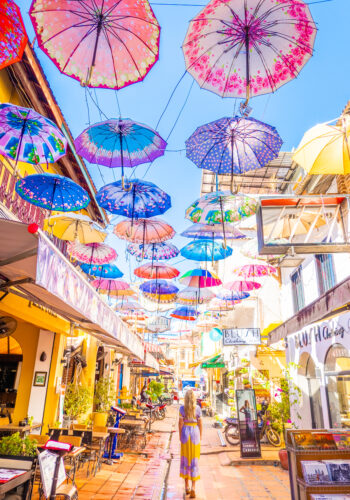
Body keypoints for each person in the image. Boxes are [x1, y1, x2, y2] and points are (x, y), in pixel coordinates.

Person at [179, 389, 202, 498]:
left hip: (185, 433)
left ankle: (186, 487)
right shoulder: (197, 409)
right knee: (194, 460)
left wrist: (180, 436)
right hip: (195, 434)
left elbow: (180, 423)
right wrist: (200, 436)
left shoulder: (182, 409)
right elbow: (200, 423)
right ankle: (193, 487)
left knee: (185, 459)